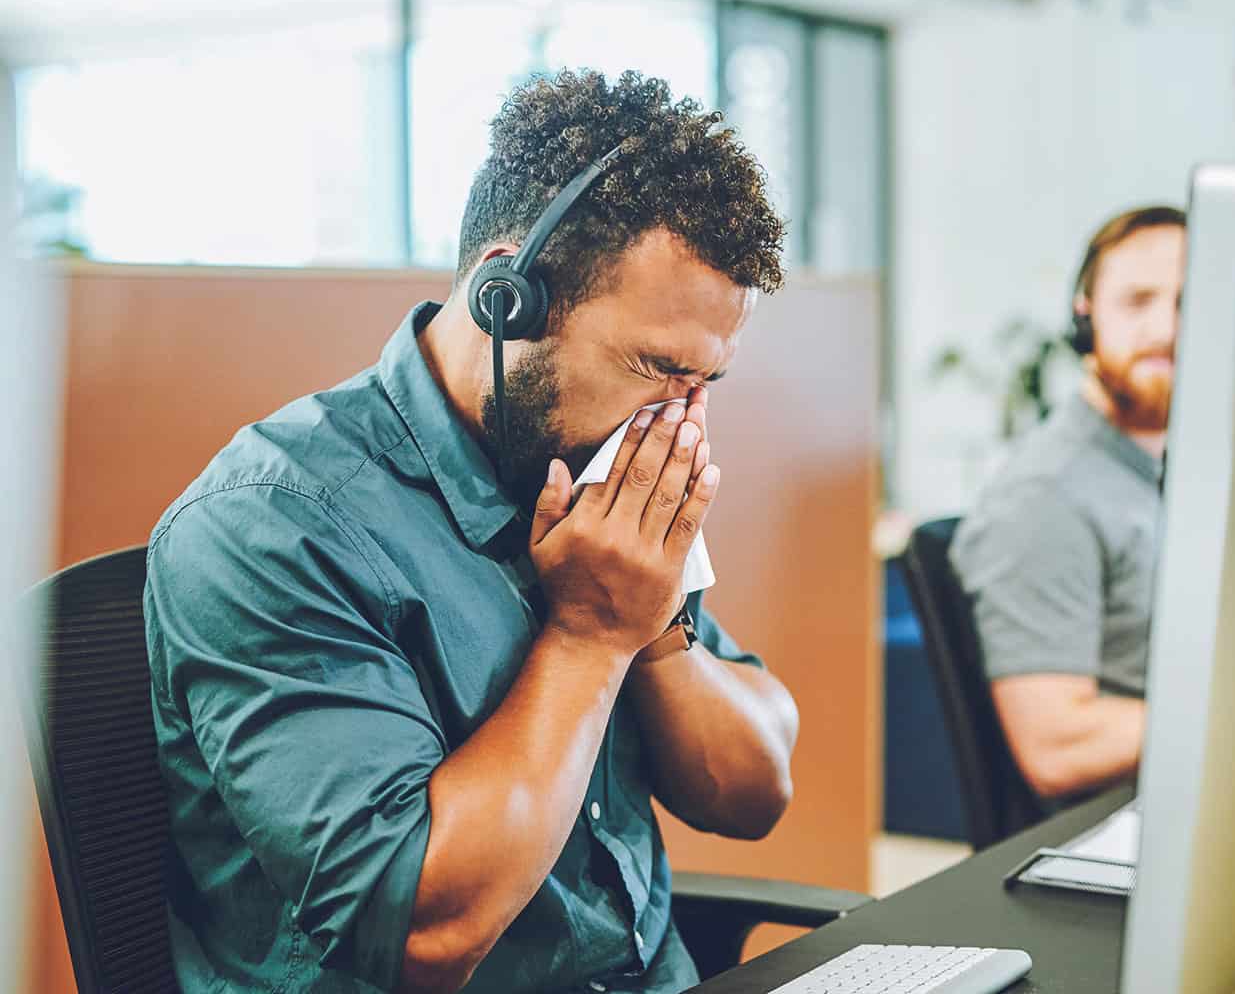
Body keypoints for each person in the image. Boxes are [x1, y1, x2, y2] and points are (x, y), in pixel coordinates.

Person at [143, 70, 800, 994]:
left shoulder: (600, 483)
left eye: (705, 382)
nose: (679, 421)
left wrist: (653, 633)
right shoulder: (270, 526)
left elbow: (754, 789)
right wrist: (587, 637)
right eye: (658, 366)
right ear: (507, 297)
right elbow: (424, 930)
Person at [949, 205, 1187, 804]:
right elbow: (1056, 744)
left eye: (1191, 304)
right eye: (1137, 302)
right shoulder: (1046, 496)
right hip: (1122, 845)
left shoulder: (1164, 474)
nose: (1165, 329)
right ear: (1086, 318)